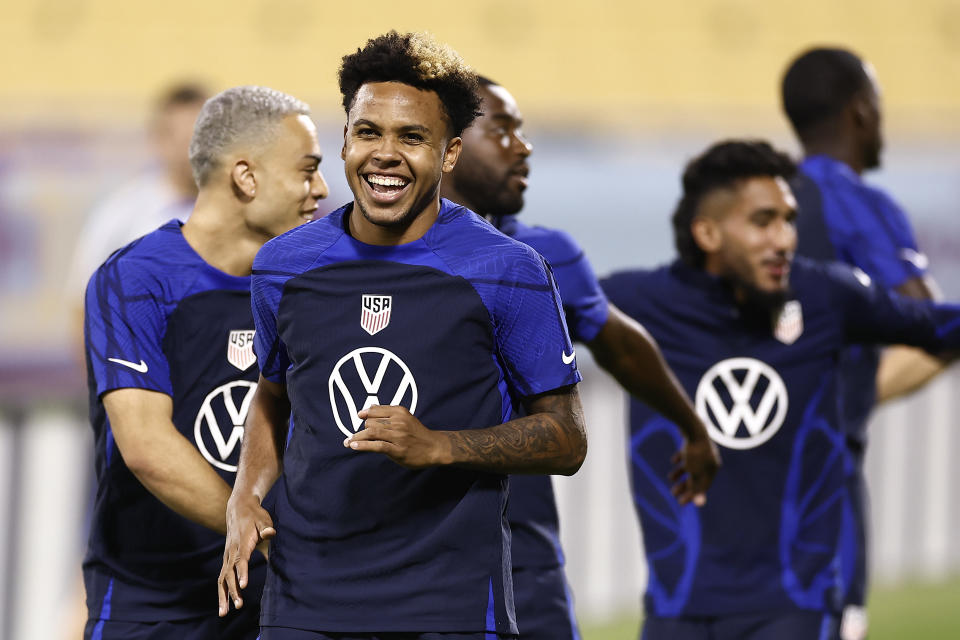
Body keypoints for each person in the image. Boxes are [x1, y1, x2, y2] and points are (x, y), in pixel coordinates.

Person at [217, 31, 590, 640]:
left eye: (411, 138)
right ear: (344, 142)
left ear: (448, 155)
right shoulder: (282, 265)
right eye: (368, 132)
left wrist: (441, 446)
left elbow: (567, 439)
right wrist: (245, 496)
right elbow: (273, 394)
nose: (385, 154)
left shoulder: (507, 270)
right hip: (305, 600)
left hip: (450, 606)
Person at [600, 140, 960, 640]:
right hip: (675, 612)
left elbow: (936, 325)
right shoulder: (637, 303)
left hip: (793, 610)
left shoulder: (827, 296)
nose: (785, 239)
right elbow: (520, 317)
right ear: (707, 232)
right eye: (763, 221)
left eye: (789, 220)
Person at [441, 77, 719, 640]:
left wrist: (693, 428)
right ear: (447, 145)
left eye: (522, 131)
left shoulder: (545, 254)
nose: (524, 146)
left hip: (523, 556)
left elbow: (623, 345)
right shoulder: (369, 257)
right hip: (410, 556)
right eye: (502, 129)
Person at [83, 85, 329, 640]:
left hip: (278, 605)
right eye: (307, 169)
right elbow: (146, 448)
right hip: (154, 605)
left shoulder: (308, 287)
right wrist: (268, 539)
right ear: (246, 177)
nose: (321, 188)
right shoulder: (136, 279)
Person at [782, 47, 942, 640]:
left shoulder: (756, 203)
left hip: (743, 485)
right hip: (826, 490)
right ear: (860, 112)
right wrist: (851, 396)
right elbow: (932, 325)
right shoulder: (859, 203)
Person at [68, 83, 210, 335]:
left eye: (207, 137)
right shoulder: (121, 215)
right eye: (187, 140)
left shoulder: (240, 211)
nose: (198, 151)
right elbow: (82, 305)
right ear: (160, 140)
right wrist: (100, 374)